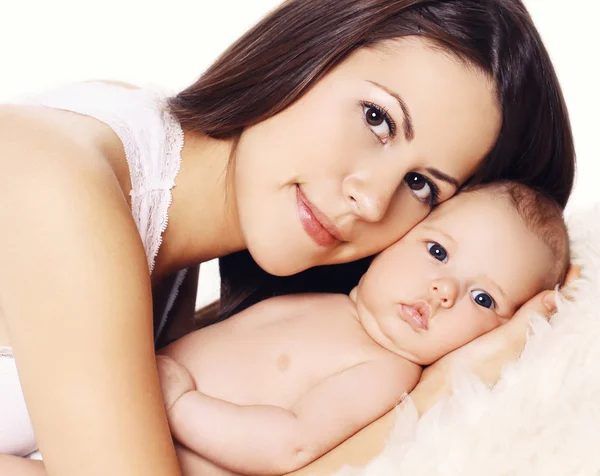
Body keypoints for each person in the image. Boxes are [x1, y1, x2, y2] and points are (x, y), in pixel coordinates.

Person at [0, 1, 575, 475]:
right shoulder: (62, 185)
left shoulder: (157, 217)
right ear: (310, 50)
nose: (372, 200)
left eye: (421, 185)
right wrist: (437, 400)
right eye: (377, 118)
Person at [1, 181, 570, 476]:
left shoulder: (385, 369)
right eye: (439, 250)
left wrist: (175, 403)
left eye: (481, 297)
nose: (443, 291)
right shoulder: (323, 300)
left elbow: (289, 441)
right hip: (101, 418)